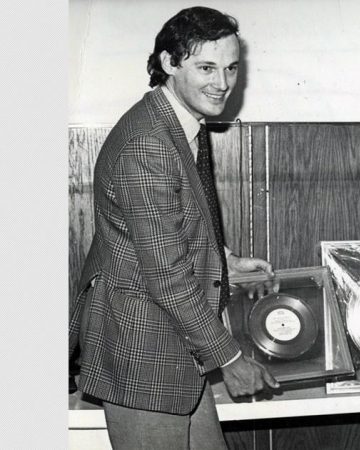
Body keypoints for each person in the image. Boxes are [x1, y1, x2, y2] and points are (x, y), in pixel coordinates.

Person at [68, 7, 279, 449]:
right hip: (144, 351)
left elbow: (163, 232)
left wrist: (226, 261)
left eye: (231, 68)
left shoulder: (178, 124)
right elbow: (166, 274)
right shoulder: (149, 143)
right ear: (169, 62)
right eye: (206, 67)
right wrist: (232, 357)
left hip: (175, 346)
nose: (222, 83)